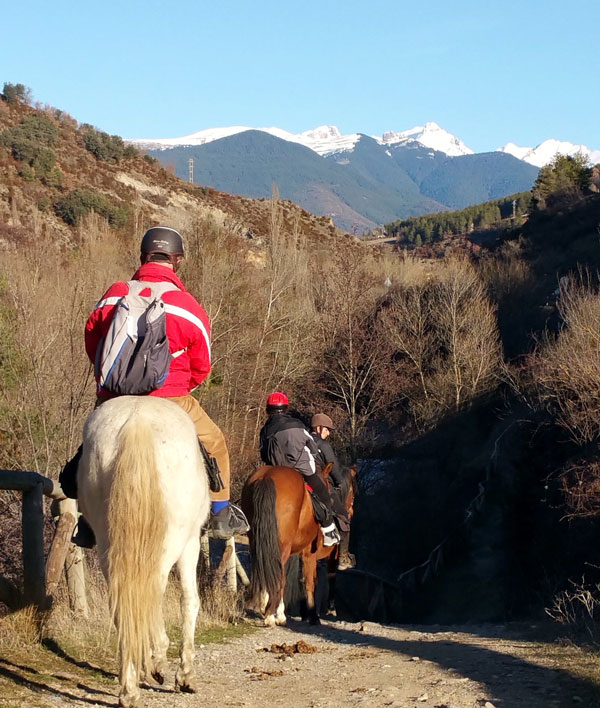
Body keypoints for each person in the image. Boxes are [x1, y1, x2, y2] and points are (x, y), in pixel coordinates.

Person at [60, 225, 249, 544]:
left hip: (113, 394)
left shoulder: (116, 293)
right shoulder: (187, 305)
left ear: (142, 257)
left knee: (92, 439)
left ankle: (87, 518)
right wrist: (179, 384)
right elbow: (202, 363)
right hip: (172, 396)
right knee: (215, 441)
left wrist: (107, 381)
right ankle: (220, 514)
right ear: (176, 261)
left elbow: (93, 337)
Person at [259, 392, 340, 547]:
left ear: (268, 410)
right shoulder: (297, 424)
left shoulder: (265, 430)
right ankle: (328, 530)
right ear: (286, 408)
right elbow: (312, 445)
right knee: (323, 492)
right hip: (303, 468)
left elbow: (263, 453)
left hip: (277, 468)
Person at [310, 413, 356, 569]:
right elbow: (335, 471)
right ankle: (343, 557)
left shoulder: (304, 441)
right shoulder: (323, 445)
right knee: (343, 517)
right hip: (322, 485)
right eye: (327, 430)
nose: (328, 433)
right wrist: (339, 482)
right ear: (319, 428)